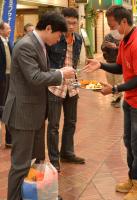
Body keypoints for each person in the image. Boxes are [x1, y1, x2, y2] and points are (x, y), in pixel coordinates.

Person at [83, 5, 137, 200]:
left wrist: (115, 89)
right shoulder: (126, 41)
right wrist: (100, 64)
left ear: (124, 22)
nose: (112, 29)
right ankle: (133, 178)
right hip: (132, 100)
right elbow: (120, 67)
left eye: (113, 25)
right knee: (129, 142)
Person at [2, 11, 75, 200]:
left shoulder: (39, 44)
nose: (59, 39)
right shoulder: (26, 45)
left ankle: (34, 196)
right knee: (21, 166)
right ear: (48, 28)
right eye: (59, 35)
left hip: (34, 113)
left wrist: (58, 72)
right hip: (22, 114)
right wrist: (60, 74)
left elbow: (39, 71)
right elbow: (34, 77)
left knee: (35, 162)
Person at [46, 8, 85, 173]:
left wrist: (77, 84)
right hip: (55, 85)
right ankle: (54, 160)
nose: (71, 26)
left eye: (74, 22)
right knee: (54, 126)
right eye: (68, 22)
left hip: (72, 84)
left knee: (71, 122)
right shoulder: (55, 38)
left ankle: (67, 153)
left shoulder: (78, 38)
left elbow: (75, 63)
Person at [101, 8, 123, 108]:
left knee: (118, 81)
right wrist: (106, 47)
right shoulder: (108, 36)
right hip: (109, 62)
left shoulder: (123, 36)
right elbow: (102, 47)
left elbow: (125, 49)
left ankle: (118, 98)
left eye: (112, 24)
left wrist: (116, 47)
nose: (111, 27)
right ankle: (115, 97)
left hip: (118, 63)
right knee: (110, 81)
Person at [0, 22, 12, 148]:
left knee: (8, 105)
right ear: (1, 30)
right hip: (2, 78)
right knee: (2, 106)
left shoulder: (8, 41)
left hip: (9, 77)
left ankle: (9, 139)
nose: (10, 30)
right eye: (8, 28)